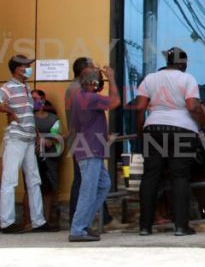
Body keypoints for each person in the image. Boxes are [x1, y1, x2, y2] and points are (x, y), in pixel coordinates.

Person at [135, 47, 205, 237]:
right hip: (182, 130)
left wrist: (141, 132)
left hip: (153, 129)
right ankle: (180, 226)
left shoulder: (150, 79)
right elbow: (194, 108)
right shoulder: (187, 79)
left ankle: (145, 227)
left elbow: (139, 109)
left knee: (150, 177)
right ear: (182, 63)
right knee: (180, 177)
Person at [0, 54, 58, 233]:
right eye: (26, 66)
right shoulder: (7, 87)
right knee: (10, 181)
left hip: (28, 139)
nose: (28, 69)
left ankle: (38, 221)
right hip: (15, 138)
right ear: (17, 69)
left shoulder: (26, 87)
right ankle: (6, 222)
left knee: (34, 180)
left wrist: (37, 133)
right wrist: (11, 111)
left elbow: (29, 114)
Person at [68, 67, 122, 242]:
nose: (100, 83)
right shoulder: (90, 98)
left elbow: (79, 125)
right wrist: (112, 78)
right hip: (91, 150)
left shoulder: (78, 98)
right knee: (88, 190)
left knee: (103, 184)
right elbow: (115, 102)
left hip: (88, 148)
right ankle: (77, 229)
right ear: (93, 83)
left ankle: (84, 224)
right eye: (99, 80)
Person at [32, 89, 62, 226]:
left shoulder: (53, 118)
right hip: (32, 157)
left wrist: (47, 141)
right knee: (32, 188)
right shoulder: (29, 118)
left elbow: (57, 136)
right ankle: (29, 221)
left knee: (49, 189)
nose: (33, 101)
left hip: (50, 158)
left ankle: (47, 220)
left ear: (43, 100)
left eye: (35, 98)